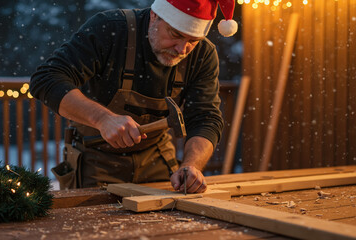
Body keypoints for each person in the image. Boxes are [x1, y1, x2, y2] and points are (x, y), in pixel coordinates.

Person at [30, 0, 237, 193]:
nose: (182, 49)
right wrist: (102, 119)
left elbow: (205, 118)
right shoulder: (111, 29)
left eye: (193, 40)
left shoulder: (203, 55)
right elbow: (47, 79)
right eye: (175, 34)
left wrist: (191, 165)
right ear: (155, 15)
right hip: (95, 159)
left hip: (157, 157)